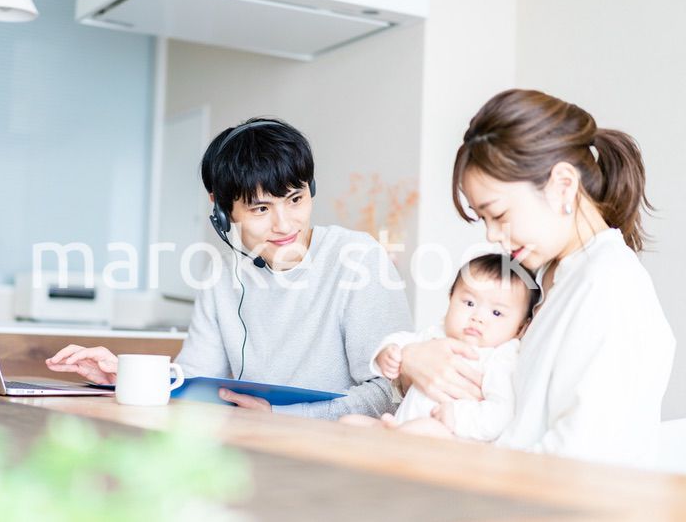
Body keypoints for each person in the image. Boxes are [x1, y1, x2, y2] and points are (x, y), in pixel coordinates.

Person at [47, 118, 413, 420]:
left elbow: (389, 391)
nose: (285, 224)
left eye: (296, 199)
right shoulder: (223, 274)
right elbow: (194, 379)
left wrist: (285, 417)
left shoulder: (356, 257)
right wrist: (122, 377)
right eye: (261, 209)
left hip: (336, 450)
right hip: (252, 444)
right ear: (221, 212)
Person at [396, 89, 675, 467]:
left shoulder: (610, 286)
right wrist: (413, 362)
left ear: (563, 184)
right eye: (483, 220)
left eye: (498, 214)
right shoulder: (549, 281)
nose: (492, 236)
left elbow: (582, 460)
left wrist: (450, 456)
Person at [341, 253, 539, 441]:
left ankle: (393, 438)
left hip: (451, 438)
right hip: (405, 427)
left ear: (520, 328)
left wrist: (457, 415)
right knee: (349, 423)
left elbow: (501, 413)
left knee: (428, 429)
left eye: (496, 313)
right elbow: (405, 340)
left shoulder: (500, 358)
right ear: (450, 299)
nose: (477, 317)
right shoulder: (438, 334)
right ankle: (393, 436)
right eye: (469, 302)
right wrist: (389, 353)